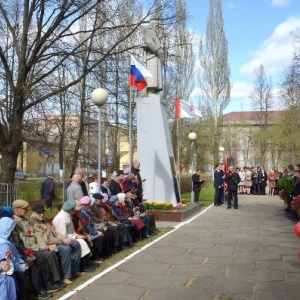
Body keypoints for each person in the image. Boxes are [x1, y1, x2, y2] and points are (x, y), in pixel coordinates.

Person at [12, 200, 66, 294]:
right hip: (28, 249)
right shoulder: (15, 222)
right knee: (46, 255)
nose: (27, 210)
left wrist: (42, 245)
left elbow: (35, 235)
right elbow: (22, 241)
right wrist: (38, 248)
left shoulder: (25, 219)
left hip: (34, 246)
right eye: (24, 209)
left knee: (48, 253)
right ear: (17, 210)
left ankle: (51, 282)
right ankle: (48, 283)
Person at [30, 204, 81, 285]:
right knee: (65, 249)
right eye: (39, 213)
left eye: (42, 212)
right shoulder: (35, 224)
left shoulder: (43, 221)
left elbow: (55, 233)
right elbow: (45, 240)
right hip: (48, 245)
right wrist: (61, 241)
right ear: (34, 213)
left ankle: (75, 270)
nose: (41, 214)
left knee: (75, 243)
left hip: (55, 241)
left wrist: (63, 238)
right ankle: (65, 277)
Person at [52, 200, 93, 273]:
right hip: (63, 240)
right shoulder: (61, 218)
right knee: (81, 242)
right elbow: (62, 234)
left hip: (70, 236)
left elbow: (72, 230)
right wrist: (76, 237)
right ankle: (81, 267)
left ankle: (85, 264)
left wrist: (77, 235)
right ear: (71, 209)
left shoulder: (67, 215)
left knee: (84, 240)